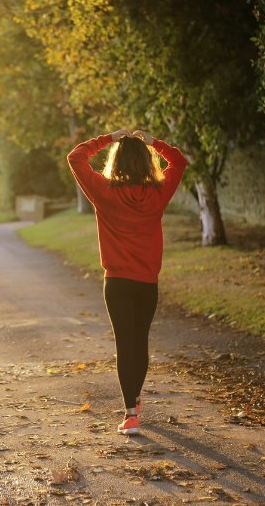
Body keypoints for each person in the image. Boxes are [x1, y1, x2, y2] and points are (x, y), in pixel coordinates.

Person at [67, 129, 187, 435]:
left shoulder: (104, 192)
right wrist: (154, 142)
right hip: (147, 283)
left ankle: (131, 413)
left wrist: (108, 138)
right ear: (147, 162)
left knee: (125, 343)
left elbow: (76, 157)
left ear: (116, 161)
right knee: (140, 341)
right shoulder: (158, 193)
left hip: (117, 283)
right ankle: (134, 399)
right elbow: (179, 161)